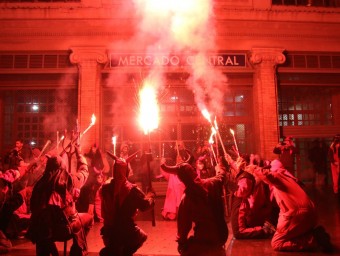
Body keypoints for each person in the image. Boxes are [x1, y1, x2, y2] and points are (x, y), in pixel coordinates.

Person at [253, 159, 333, 253]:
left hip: (298, 215)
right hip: (310, 214)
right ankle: (313, 234)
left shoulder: (278, 175)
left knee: (277, 243)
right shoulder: (289, 178)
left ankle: (314, 240)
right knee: (288, 232)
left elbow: (267, 176)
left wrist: (253, 169)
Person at [26, 145, 93, 256]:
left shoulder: (39, 184)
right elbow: (84, 172)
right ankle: (77, 251)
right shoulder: (70, 180)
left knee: (43, 227)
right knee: (89, 218)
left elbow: (33, 208)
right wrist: (79, 155)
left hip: (43, 231)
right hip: (64, 229)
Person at [160, 155, 229, 256]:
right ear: (194, 172)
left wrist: (182, 243)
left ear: (181, 179)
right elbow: (221, 177)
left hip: (202, 241)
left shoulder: (187, 199)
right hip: (220, 236)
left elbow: (183, 228)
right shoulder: (211, 183)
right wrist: (220, 168)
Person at [99, 151, 155, 256]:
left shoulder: (105, 187)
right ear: (126, 171)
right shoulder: (131, 190)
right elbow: (144, 205)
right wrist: (151, 196)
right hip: (125, 231)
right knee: (141, 236)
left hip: (108, 229)